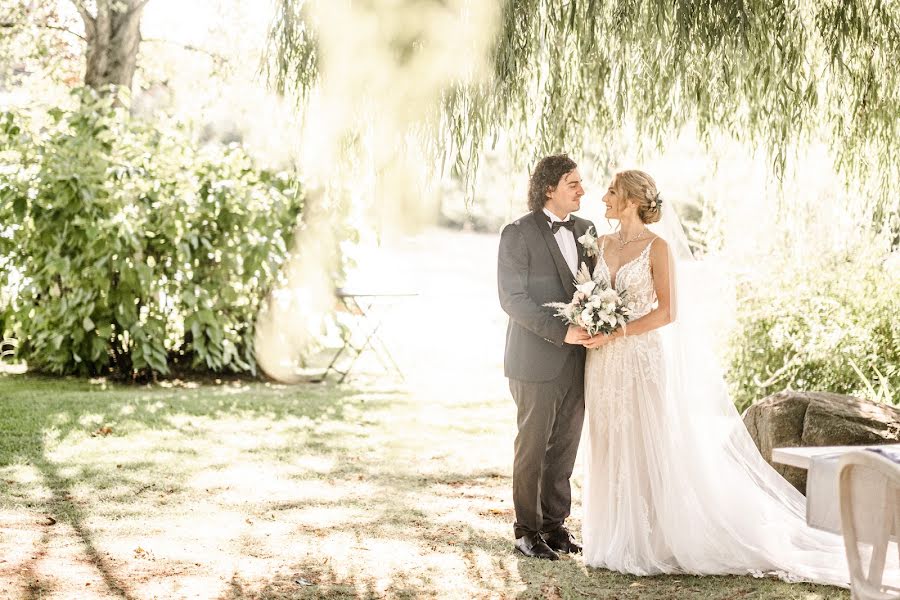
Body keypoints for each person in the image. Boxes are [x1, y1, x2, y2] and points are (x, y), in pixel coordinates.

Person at [578, 169, 854, 586]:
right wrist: (590, 319)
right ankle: (611, 535)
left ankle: (648, 539)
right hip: (602, 362)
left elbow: (668, 313)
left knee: (643, 440)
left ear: (633, 200)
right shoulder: (600, 243)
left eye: (612, 191)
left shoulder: (658, 249)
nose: (604, 197)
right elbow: (591, 293)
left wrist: (616, 329)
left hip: (640, 359)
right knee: (608, 440)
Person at [497, 154, 595, 560]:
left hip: (579, 360)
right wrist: (562, 331)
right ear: (549, 188)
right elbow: (512, 299)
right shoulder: (517, 233)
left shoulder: (587, 230)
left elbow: (596, 287)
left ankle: (555, 527)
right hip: (534, 359)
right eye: (573, 183)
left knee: (565, 446)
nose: (582, 190)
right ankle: (526, 531)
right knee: (533, 447)